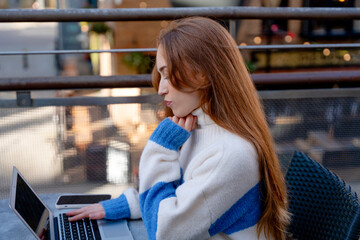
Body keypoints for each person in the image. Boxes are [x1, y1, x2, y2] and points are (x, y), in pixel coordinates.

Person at [67, 16, 290, 240]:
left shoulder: (229, 153)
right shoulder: (198, 128)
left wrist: (160, 147)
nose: (161, 89)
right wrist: (123, 206)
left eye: (167, 74)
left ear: (201, 73)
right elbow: (182, 192)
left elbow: (165, 231)